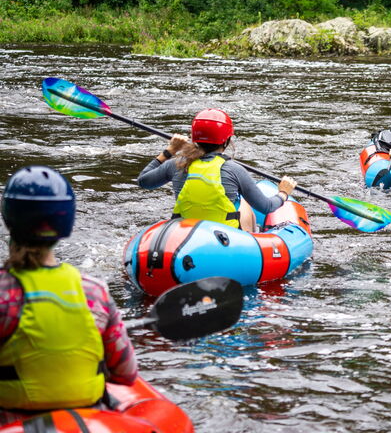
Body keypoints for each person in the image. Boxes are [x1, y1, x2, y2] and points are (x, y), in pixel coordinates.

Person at [0, 166, 138, 425]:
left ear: (9, 219)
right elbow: (127, 375)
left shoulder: (4, 294)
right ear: (66, 221)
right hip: (87, 420)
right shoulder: (94, 291)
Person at [137, 108, 296, 233]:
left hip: (185, 234)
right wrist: (283, 192)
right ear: (227, 140)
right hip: (225, 239)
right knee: (244, 205)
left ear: (194, 138)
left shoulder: (176, 164)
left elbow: (143, 182)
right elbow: (266, 207)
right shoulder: (234, 169)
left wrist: (170, 150)